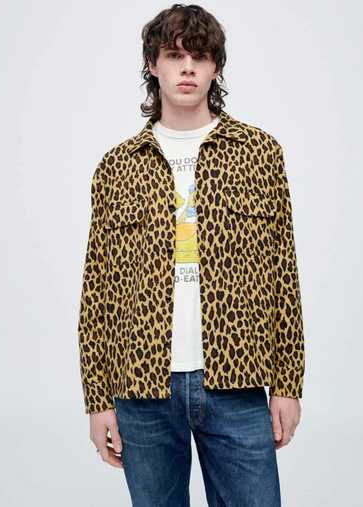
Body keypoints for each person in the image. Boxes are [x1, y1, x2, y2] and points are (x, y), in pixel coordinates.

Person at [77, 4, 305, 506]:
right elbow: (97, 290)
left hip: (237, 379)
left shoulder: (259, 153)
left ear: (215, 67)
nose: (187, 68)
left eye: (200, 57)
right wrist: (97, 400)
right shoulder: (117, 166)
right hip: (141, 386)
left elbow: (283, 274)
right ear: (152, 65)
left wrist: (288, 384)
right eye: (174, 55)